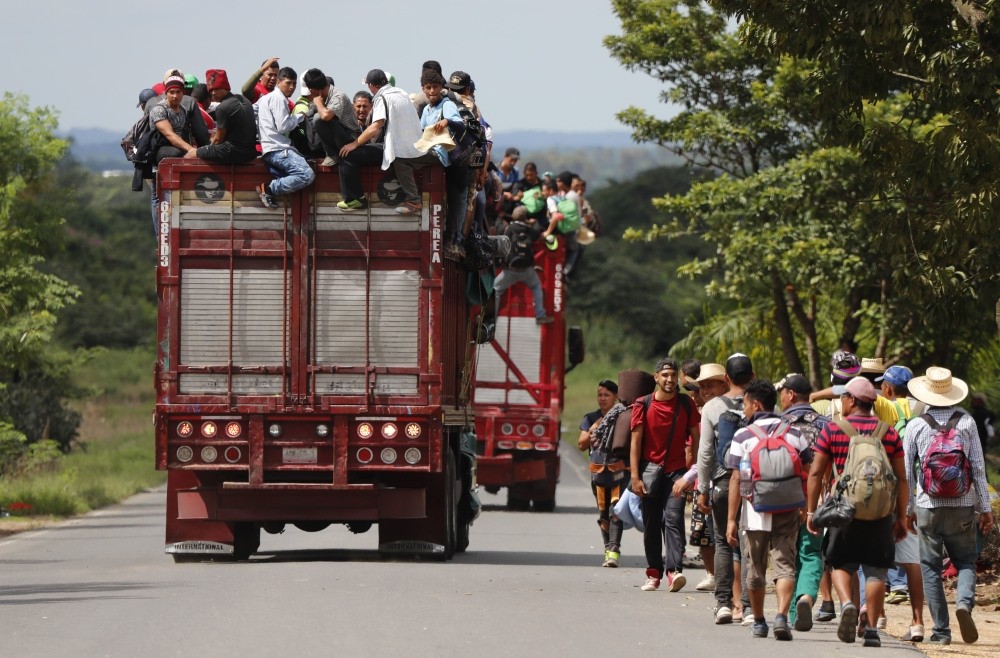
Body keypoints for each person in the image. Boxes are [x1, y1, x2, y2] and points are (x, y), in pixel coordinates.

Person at [806, 376, 909, 648]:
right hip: (880, 513)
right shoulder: (889, 431)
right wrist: (901, 516)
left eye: (843, 397)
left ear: (851, 400)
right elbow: (902, 478)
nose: (841, 402)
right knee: (876, 570)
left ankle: (848, 603)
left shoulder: (833, 429)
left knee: (840, 563)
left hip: (844, 510)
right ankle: (872, 629)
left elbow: (816, 472)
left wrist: (810, 511)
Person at [904, 367, 994, 645]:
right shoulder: (967, 422)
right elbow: (978, 468)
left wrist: (908, 509)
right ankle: (964, 604)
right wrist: (985, 508)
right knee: (965, 560)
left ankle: (941, 631)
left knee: (930, 566)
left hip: (927, 506)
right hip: (962, 505)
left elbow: (907, 472)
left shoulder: (916, 425)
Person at [727, 379, 811, 641]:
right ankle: (782, 618)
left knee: (756, 567)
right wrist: (804, 505)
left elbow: (735, 479)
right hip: (788, 506)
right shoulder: (794, 433)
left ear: (756, 404)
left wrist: (731, 519)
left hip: (754, 511)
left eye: (745, 404)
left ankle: (760, 621)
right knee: (785, 565)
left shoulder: (743, 436)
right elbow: (806, 471)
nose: (744, 409)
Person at [630, 357, 701, 593]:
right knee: (651, 525)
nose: (670, 379)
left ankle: (674, 570)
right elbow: (636, 442)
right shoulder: (643, 404)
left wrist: (692, 473)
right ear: (656, 378)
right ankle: (654, 573)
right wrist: (635, 477)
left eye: (673, 375)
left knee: (673, 518)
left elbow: (696, 439)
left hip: (676, 474)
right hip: (649, 473)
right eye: (665, 375)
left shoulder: (685, 404)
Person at [697, 353, 754, 624]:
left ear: (726, 379)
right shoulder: (761, 404)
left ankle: (723, 604)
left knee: (722, 542)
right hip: (755, 484)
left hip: (721, 482)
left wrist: (702, 488)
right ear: (752, 377)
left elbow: (706, 453)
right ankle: (749, 607)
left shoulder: (712, 408)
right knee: (748, 543)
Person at [774, 373, 830, 632]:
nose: (780, 397)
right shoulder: (826, 424)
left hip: (782, 499)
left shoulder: (778, 425)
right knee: (810, 553)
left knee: (786, 555)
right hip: (815, 500)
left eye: (781, 392)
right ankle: (806, 597)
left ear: (790, 394)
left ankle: (792, 612)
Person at [339, 69, 423, 215]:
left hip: (398, 149)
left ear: (371, 85)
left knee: (348, 155)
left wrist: (354, 144)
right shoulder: (401, 93)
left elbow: (375, 126)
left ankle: (356, 198)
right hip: (415, 145)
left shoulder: (381, 97)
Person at [255, 67, 314, 209]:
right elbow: (283, 126)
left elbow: (253, 111)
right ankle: (269, 189)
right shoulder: (278, 99)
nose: (292, 87)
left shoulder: (265, 98)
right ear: (278, 82)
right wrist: (300, 117)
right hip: (278, 149)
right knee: (307, 175)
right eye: (288, 83)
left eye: (294, 84)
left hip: (270, 148)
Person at [580, 379, 623, 567]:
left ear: (616, 397)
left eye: (606, 395)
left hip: (618, 472)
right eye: (600, 395)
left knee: (616, 511)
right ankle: (607, 547)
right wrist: (593, 429)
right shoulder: (591, 418)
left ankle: (613, 550)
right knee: (603, 513)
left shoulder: (622, 416)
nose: (602, 398)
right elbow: (581, 444)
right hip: (598, 473)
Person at [494, 207, 553, 324]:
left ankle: (491, 317)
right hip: (527, 270)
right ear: (525, 218)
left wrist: (500, 217)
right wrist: (532, 222)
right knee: (536, 286)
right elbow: (538, 227)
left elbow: (497, 227)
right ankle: (540, 315)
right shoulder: (530, 230)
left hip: (510, 270)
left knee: (496, 290)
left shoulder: (509, 229)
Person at [191, 69, 257, 165]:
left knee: (192, 153)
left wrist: (207, 148)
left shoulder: (223, 107)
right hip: (250, 153)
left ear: (226, 87)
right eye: (211, 90)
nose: (213, 93)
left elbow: (218, 140)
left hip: (233, 153)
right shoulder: (244, 99)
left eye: (217, 89)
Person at [301, 68, 361, 167]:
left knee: (318, 118)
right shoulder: (323, 97)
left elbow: (326, 116)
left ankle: (333, 155)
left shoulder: (338, 96)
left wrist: (319, 104)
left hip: (351, 138)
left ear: (313, 89)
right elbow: (310, 112)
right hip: (339, 136)